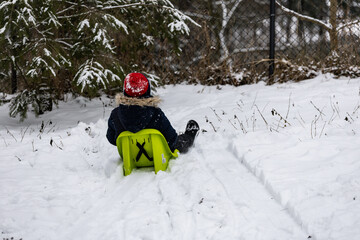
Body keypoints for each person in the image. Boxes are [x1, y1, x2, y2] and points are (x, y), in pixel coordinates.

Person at [106, 72, 199, 153]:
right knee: (178, 142)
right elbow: (172, 139)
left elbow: (111, 139)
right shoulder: (155, 113)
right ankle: (189, 138)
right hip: (157, 154)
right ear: (147, 91)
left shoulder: (115, 114)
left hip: (130, 156)